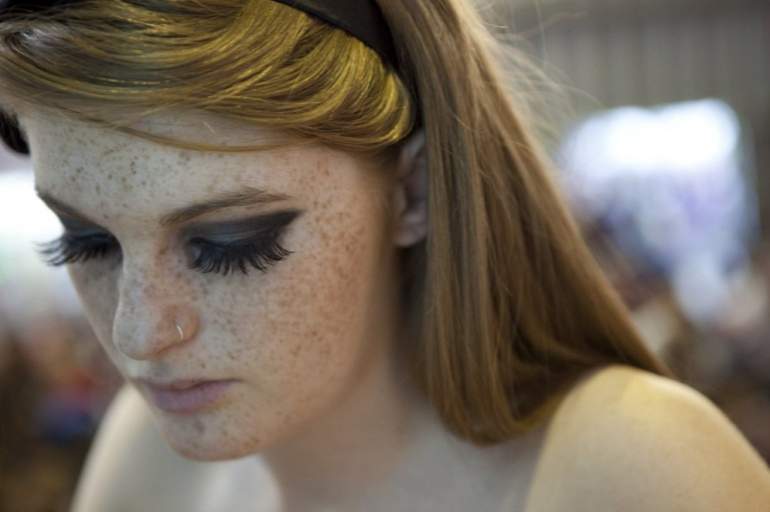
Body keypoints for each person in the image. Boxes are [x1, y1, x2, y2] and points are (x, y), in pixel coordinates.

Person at [0, 1, 768, 510]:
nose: (138, 332)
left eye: (228, 245)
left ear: (412, 191)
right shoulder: (151, 461)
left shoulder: (637, 473)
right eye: (86, 241)